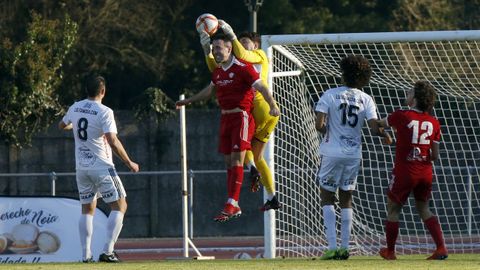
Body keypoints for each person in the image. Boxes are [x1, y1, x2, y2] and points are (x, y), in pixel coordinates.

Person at [176, 32, 280, 222]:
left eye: (218, 48)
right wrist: (188, 101)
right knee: (229, 163)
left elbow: (262, 87)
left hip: (241, 117)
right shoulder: (218, 70)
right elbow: (209, 91)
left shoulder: (244, 67)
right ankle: (235, 203)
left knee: (238, 161)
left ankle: (232, 202)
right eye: (213, 48)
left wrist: (272, 104)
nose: (215, 51)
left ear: (229, 48)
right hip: (225, 120)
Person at [314, 55, 392, 260]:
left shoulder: (329, 95)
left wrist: (330, 130)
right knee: (347, 198)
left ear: (344, 72)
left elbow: (319, 125)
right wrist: (385, 134)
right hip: (353, 155)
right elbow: (375, 127)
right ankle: (346, 247)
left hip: (331, 152)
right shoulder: (365, 98)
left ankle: (332, 247)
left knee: (327, 197)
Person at [198, 20, 281, 211]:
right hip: (265, 114)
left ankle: (249, 172)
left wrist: (229, 31)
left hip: (261, 108)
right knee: (256, 157)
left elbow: (241, 53)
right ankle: (272, 196)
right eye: (240, 42)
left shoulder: (258, 55)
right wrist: (206, 47)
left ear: (256, 45)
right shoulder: (240, 62)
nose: (242, 45)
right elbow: (214, 67)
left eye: (246, 42)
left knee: (242, 150)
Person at [58, 75, 139, 263]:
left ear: (86, 90)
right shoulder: (105, 111)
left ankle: (86, 255)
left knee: (87, 210)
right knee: (120, 206)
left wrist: (76, 125)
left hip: (81, 168)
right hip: (101, 166)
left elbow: (62, 125)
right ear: (103, 91)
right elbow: (112, 140)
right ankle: (108, 251)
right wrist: (129, 162)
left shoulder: (75, 107)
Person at [378, 81, 447, 260]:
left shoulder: (402, 115)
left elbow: (380, 123)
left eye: (409, 93)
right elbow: (435, 155)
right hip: (425, 172)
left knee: (393, 209)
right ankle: (441, 247)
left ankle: (391, 251)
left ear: (415, 98)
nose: (406, 95)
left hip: (405, 171)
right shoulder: (434, 122)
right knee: (424, 208)